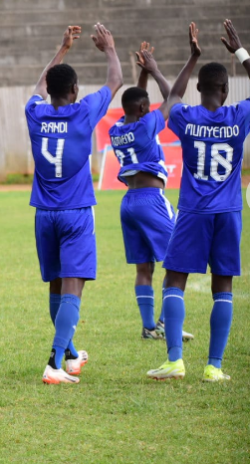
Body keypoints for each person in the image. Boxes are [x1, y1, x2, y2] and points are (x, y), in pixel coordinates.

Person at [147, 20, 250, 383]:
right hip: (228, 214)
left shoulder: (187, 119)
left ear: (200, 89)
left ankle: (175, 361)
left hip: (192, 212)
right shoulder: (238, 118)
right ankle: (214, 367)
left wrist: (175, 64)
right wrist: (239, 50)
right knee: (223, 287)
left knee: (174, 281)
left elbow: (171, 99)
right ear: (225, 89)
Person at [25, 24, 122, 384]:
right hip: (76, 213)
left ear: (50, 90)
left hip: (44, 214)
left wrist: (62, 49)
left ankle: (69, 354)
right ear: (75, 90)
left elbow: (37, 87)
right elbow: (116, 79)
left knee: (55, 285)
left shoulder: (34, 114)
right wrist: (109, 48)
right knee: (72, 288)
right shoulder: (83, 112)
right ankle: (53, 363)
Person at [108, 42, 193, 343]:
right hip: (151, 200)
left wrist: (142, 74)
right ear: (145, 109)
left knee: (144, 266)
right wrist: (155, 69)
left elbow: (135, 102)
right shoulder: (147, 127)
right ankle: (166, 323)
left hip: (128, 202)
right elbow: (175, 97)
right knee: (178, 259)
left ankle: (148, 327)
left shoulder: (116, 130)